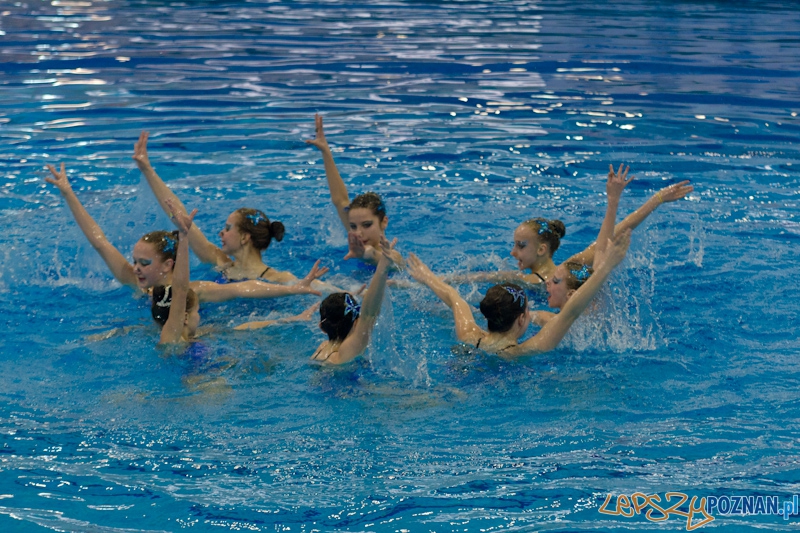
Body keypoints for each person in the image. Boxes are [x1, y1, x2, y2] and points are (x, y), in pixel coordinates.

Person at [45, 162, 328, 303]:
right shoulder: (139, 282)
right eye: (135, 262)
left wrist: (293, 289)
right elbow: (101, 243)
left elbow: (242, 289)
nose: (136, 268)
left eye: (144, 263)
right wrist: (69, 194)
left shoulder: (189, 289)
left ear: (168, 265)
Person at [448, 166, 692, 289]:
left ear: (542, 249)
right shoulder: (528, 278)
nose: (513, 252)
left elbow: (616, 231)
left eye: (520, 246)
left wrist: (657, 199)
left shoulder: (563, 271)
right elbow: (478, 277)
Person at [405, 230, 631, 359]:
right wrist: (606, 267)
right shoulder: (521, 352)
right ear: (521, 320)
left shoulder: (468, 334)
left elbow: (453, 297)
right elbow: (570, 313)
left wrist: (427, 276)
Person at [133, 131, 298, 283]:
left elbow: (314, 291)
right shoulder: (220, 263)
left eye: (228, 228)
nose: (221, 232)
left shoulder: (279, 279)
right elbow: (179, 215)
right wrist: (147, 169)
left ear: (244, 237)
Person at [305, 114, 402, 266]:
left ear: (384, 222)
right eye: (353, 226)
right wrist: (325, 151)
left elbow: (376, 256)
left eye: (367, 225)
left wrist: (365, 255)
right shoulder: (356, 239)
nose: (359, 233)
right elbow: (340, 200)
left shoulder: (393, 256)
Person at [307, 237, 398, 365]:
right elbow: (368, 314)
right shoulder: (346, 352)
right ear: (356, 323)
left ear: (321, 327)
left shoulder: (322, 348)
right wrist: (383, 267)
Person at [152, 200, 198, 344]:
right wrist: (183, 236)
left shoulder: (186, 339)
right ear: (185, 317)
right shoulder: (172, 338)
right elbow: (180, 290)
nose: (198, 318)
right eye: (196, 312)